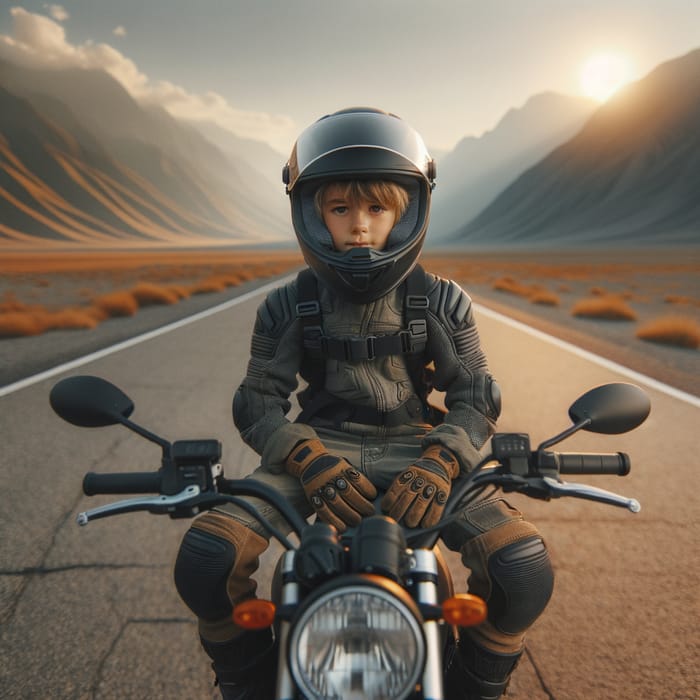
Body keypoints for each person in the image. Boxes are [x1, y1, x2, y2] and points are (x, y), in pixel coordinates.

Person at [174, 107, 554, 700]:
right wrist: (304, 458)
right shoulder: (285, 305)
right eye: (340, 208)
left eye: (377, 209)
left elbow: (475, 393)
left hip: (421, 450)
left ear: (406, 214)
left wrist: (443, 459)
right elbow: (258, 402)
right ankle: (248, 684)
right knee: (207, 560)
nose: (358, 227)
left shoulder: (442, 301)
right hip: (315, 450)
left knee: (521, 569)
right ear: (312, 214)